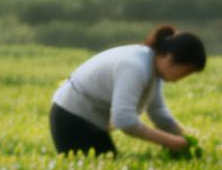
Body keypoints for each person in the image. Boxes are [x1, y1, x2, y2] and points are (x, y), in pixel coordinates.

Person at [47, 25, 204, 155]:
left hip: (89, 120)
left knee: (106, 166)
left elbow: (158, 113)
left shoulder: (152, 68)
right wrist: (170, 141)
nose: (183, 77)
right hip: (72, 118)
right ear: (169, 58)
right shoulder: (136, 66)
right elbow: (124, 120)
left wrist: (183, 134)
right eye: (186, 71)